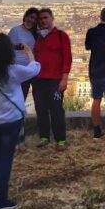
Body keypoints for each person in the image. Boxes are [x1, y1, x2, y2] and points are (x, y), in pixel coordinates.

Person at [0, 34, 41, 209]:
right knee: (5, 160)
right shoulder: (14, 71)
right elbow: (35, 69)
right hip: (10, 121)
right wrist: (28, 53)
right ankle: (0, 201)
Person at [33, 8, 72, 151]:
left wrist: (64, 78)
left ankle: (60, 140)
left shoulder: (62, 36)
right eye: (41, 19)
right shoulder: (37, 37)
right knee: (41, 109)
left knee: (56, 110)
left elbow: (67, 58)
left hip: (55, 80)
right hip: (38, 80)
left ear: (52, 18)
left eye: (45, 18)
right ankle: (44, 137)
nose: (43, 21)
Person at [85, 7, 105, 139]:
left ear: (100, 16)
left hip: (94, 70)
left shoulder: (92, 32)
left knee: (96, 100)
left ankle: (97, 131)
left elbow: (87, 47)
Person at [8, 7, 39, 143]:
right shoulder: (15, 31)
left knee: (23, 102)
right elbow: (7, 47)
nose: (32, 20)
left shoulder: (34, 34)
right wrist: (19, 47)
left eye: (34, 19)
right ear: (25, 16)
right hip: (19, 72)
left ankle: (20, 133)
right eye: (30, 17)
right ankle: (18, 134)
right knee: (18, 102)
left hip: (30, 71)